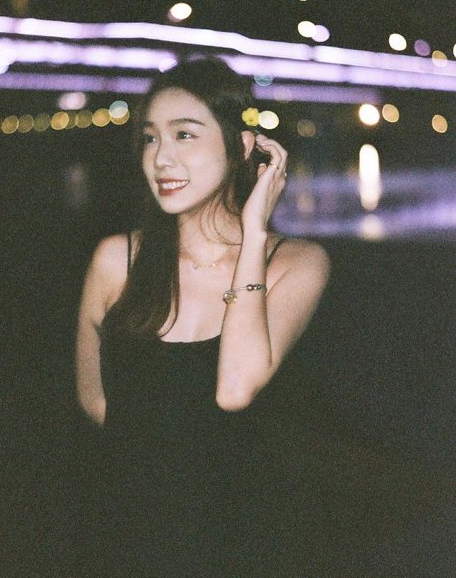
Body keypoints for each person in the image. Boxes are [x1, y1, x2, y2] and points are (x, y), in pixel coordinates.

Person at [75, 57, 330, 576]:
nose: (161, 158)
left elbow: (234, 389)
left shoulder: (297, 263)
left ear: (242, 146)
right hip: (126, 538)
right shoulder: (116, 260)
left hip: (248, 543)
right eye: (150, 139)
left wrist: (254, 235)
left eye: (184, 135)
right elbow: (95, 399)